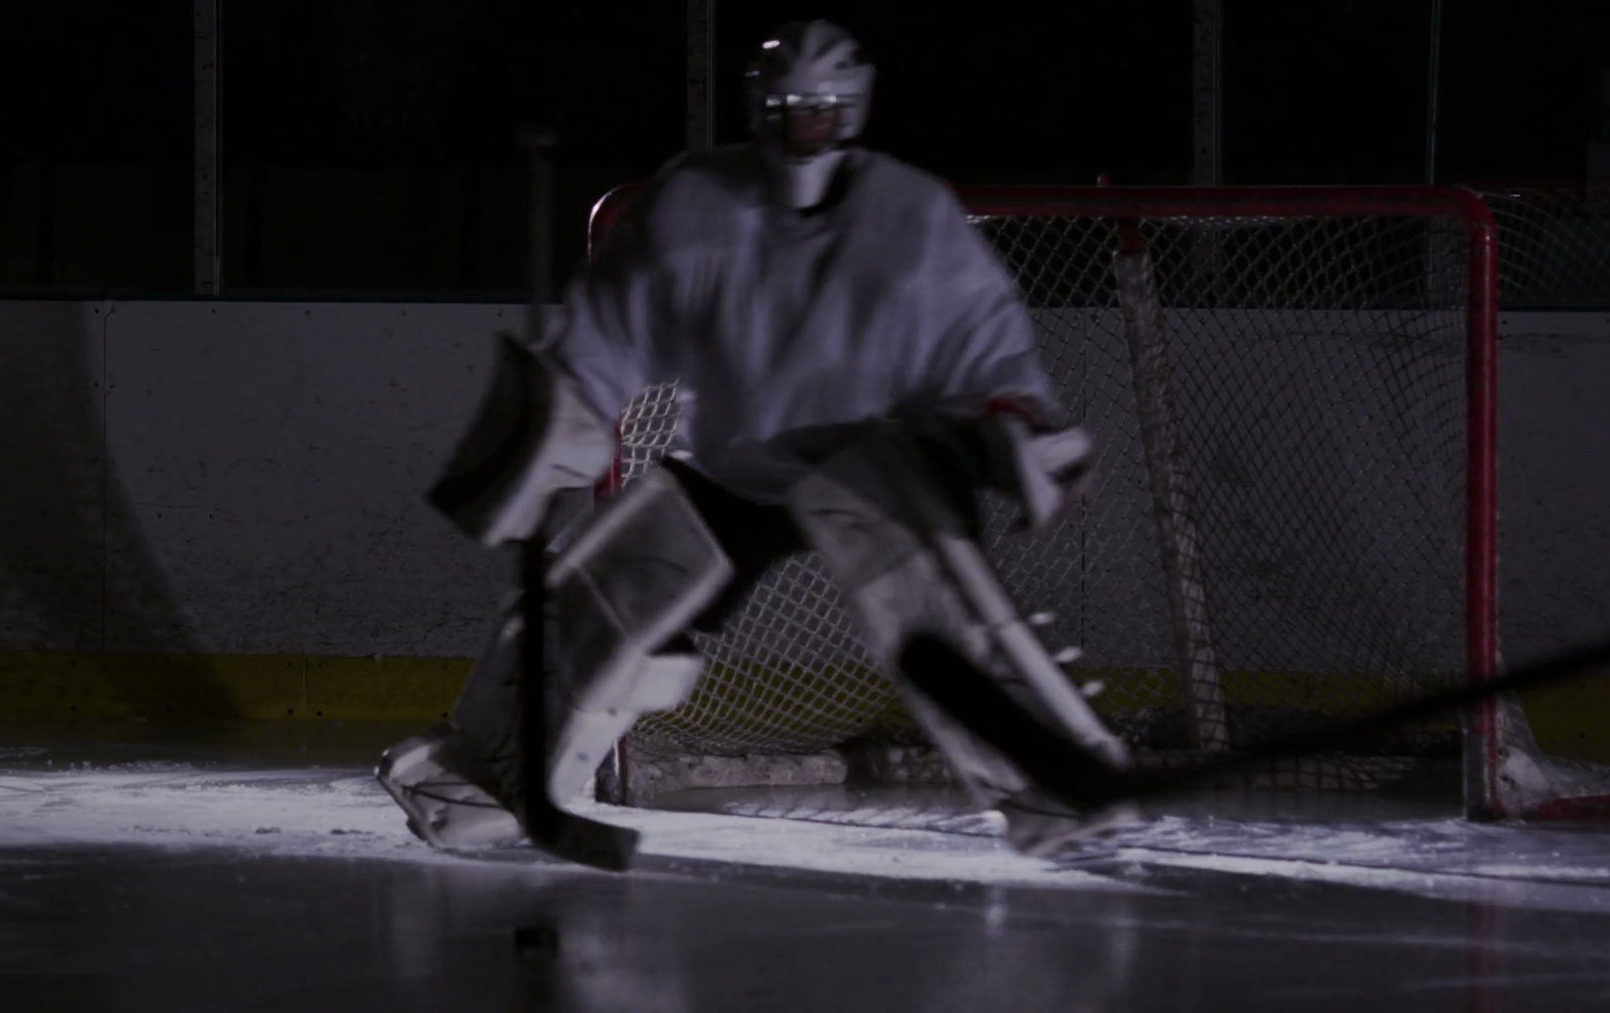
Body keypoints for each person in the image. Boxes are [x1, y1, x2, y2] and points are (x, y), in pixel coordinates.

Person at [377, 19, 1134, 857]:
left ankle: (1055, 782)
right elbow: (611, 333)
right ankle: (486, 778)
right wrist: (553, 425)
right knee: (587, 600)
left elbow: (984, 346)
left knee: (947, 627)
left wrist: (1016, 426)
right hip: (727, 468)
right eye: (787, 107)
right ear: (758, 108)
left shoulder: (909, 212)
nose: (803, 125)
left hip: (871, 463)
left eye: (820, 108)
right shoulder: (697, 199)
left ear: (852, 111)